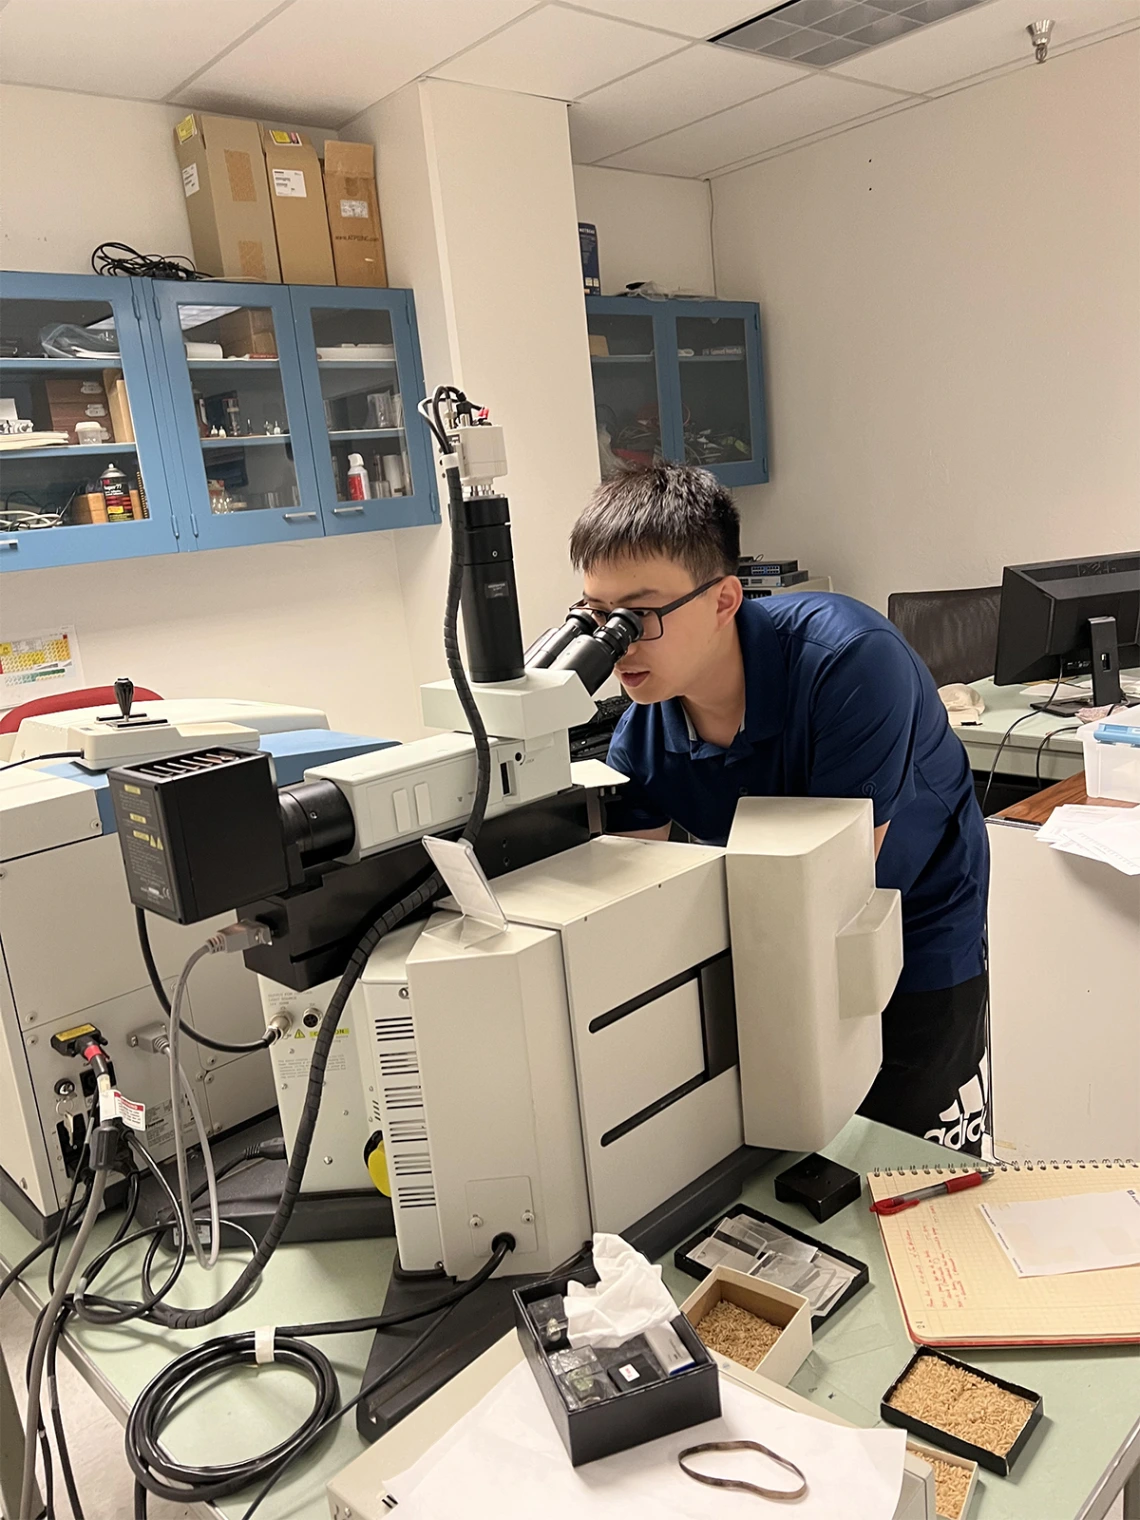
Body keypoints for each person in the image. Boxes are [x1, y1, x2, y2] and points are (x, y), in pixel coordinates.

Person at [568, 464, 991, 1154]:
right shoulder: (641, 737)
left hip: (915, 919)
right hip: (778, 934)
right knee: (798, 1156)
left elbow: (836, 894)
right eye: (594, 617)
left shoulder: (851, 664)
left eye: (638, 616)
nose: (615, 645)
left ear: (724, 599)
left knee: (908, 1156)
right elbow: (627, 901)